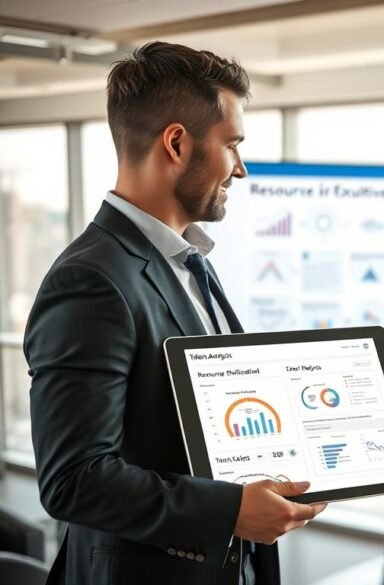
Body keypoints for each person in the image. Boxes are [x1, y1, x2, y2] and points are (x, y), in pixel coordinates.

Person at [24, 42, 326, 585]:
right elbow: (73, 479)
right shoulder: (90, 281)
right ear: (177, 143)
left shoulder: (190, 263)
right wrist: (229, 510)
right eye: (232, 144)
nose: (241, 167)